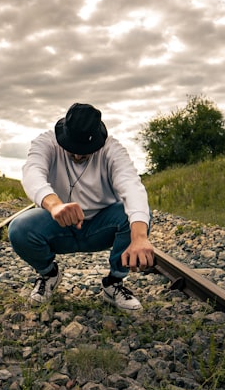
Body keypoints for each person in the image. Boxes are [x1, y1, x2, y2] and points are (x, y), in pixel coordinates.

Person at [8, 102, 155, 310]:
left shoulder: (113, 150)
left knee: (138, 216)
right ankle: (49, 275)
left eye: (84, 151)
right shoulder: (46, 142)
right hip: (58, 224)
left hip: (100, 226)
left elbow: (131, 186)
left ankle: (114, 283)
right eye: (72, 149)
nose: (77, 155)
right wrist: (55, 205)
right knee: (19, 228)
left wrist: (140, 237)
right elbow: (32, 173)